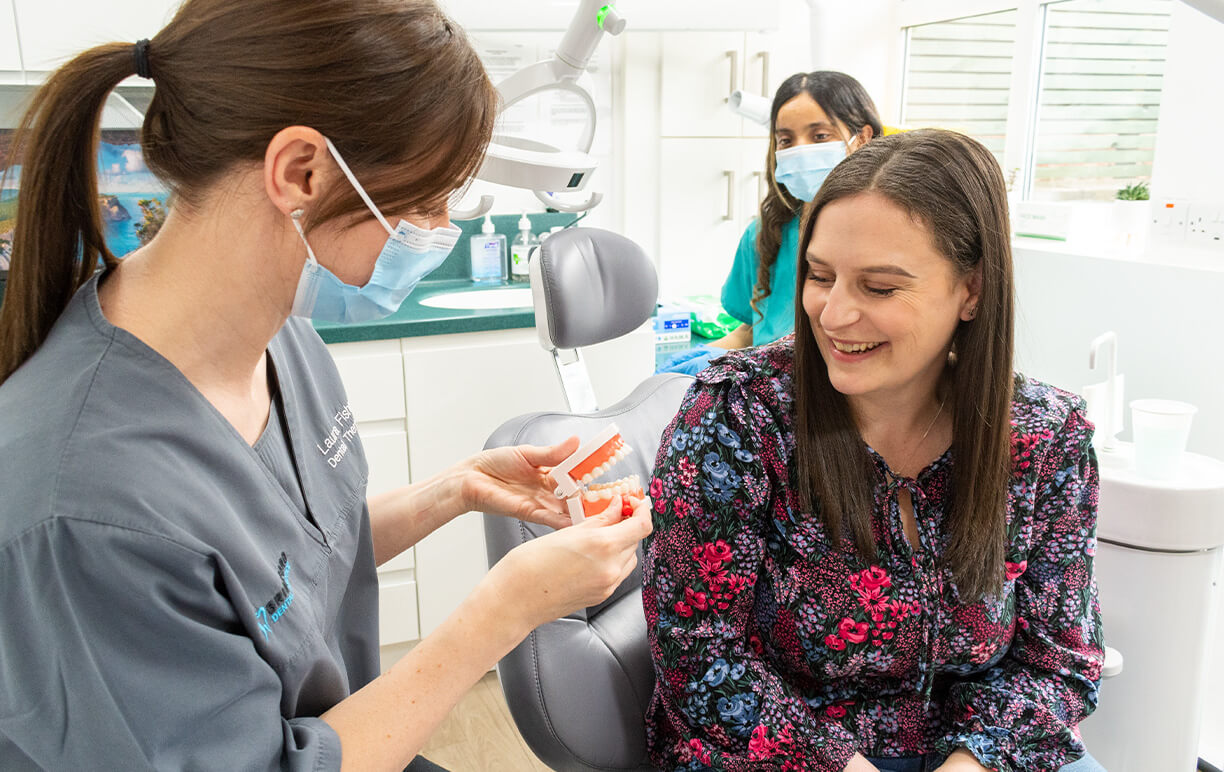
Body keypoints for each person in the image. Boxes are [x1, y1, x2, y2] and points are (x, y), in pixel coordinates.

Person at [0, 1, 652, 770]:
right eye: (427, 199)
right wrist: (503, 612)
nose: (439, 231)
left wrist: (454, 490)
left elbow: (278, 573)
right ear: (300, 172)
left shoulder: (285, 342)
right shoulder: (84, 507)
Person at [642, 129, 1105, 772]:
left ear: (971, 290)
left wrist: (972, 762)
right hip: (783, 754)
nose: (832, 315)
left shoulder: (1045, 436)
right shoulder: (739, 417)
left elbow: (1059, 657)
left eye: (879, 288)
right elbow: (699, 654)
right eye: (820, 276)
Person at [659, 71, 882, 375]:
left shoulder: (887, 236)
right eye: (786, 140)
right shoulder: (766, 235)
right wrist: (700, 360)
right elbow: (754, 331)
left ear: (862, 138)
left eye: (819, 137)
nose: (799, 150)